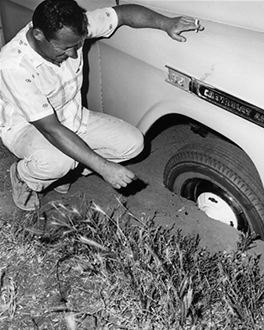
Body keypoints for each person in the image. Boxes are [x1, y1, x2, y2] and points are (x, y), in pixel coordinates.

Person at [0, 0, 203, 211]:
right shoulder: (13, 66)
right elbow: (51, 129)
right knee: (57, 162)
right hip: (28, 129)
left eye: (77, 45)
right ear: (38, 35)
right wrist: (103, 167)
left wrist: (166, 23)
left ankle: (71, 168)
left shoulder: (71, 28)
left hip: (71, 116)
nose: (73, 54)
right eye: (65, 48)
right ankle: (24, 176)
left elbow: (122, 14)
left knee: (133, 143)